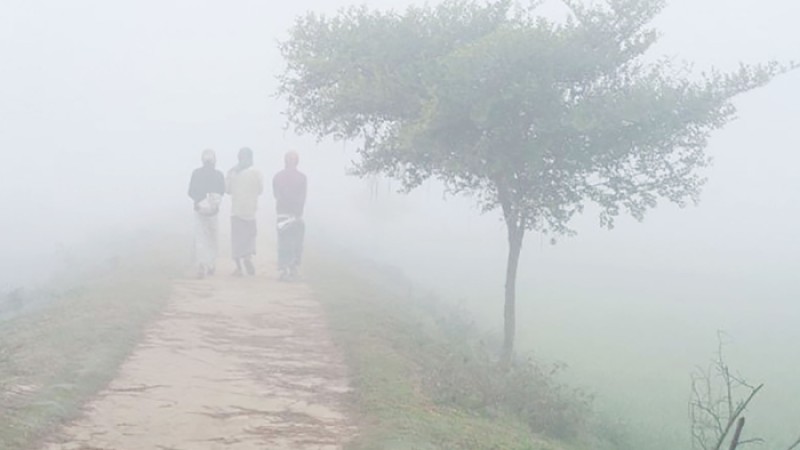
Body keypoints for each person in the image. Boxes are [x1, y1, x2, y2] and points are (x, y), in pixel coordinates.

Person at [188, 149, 225, 279]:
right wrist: (212, 202)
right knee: (212, 239)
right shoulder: (219, 175)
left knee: (200, 239)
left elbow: (191, 191)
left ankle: (201, 265)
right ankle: (211, 264)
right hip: (213, 213)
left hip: (199, 211)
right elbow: (222, 191)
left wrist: (200, 201)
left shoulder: (196, 174)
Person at [226, 147, 264, 276]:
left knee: (237, 240)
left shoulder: (233, 172)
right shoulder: (257, 173)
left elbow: (227, 190)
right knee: (249, 238)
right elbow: (260, 190)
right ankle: (248, 258)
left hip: (236, 211)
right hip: (250, 211)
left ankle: (239, 268)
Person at [272, 151, 307, 281]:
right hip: (296, 214)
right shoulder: (302, 178)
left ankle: (285, 268)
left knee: (284, 242)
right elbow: (303, 197)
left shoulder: (278, 177)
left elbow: (276, 195)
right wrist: (298, 211)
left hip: (282, 214)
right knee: (296, 242)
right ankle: (293, 268)